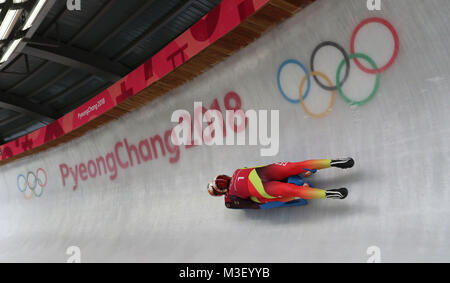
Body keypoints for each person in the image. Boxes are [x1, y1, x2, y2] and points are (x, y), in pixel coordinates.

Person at [207, 158, 354, 210]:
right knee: (297, 165)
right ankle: (333, 162)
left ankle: (330, 194)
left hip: (265, 189)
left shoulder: (230, 198)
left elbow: (254, 205)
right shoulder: (239, 170)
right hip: (267, 171)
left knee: (293, 191)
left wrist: (280, 200)